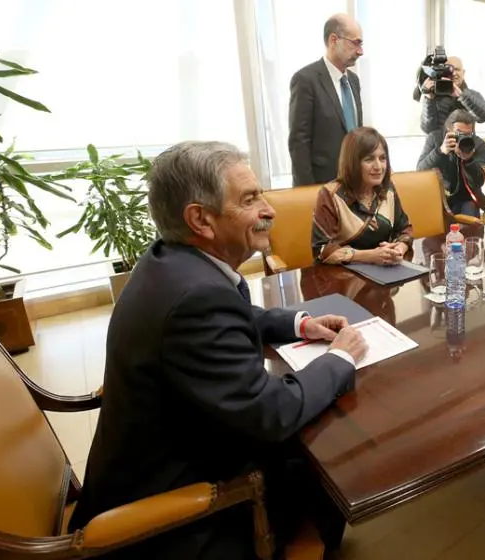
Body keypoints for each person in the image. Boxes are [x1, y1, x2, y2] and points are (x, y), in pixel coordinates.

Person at [70, 141, 368, 559]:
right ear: (200, 219)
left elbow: (232, 311)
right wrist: (340, 358)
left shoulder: (172, 262)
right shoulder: (194, 300)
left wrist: (299, 323)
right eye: (250, 199)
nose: (270, 209)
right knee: (329, 474)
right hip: (172, 520)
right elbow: (271, 412)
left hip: (150, 460)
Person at [312, 127, 414, 265]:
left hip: (386, 272)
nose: (378, 166)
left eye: (382, 158)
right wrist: (369, 256)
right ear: (352, 162)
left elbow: (404, 229)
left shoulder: (387, 188)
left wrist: (399, 249)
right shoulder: (330, 195)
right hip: (342, 279)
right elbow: (321, 250)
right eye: (369, 159)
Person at [288, 14, 365, 186]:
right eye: (355, 43)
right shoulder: (305, 80)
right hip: (321, 184)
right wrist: (307, 192)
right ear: (333, 40)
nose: (361, 51)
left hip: (354, 183)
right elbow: (298, 142)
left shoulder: (354, 80)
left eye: (361, 44)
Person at [417, 109, 485, 217]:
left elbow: (478, 182)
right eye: (459, 133)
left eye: (468, 134)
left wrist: (469, 161)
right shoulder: (435, 138)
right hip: (439, 198)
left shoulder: (477, 144)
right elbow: (420, 171)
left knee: (471, 222)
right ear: (448, 129)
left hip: (467, 198)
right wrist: (440, 152)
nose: (464, 137)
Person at [419, 55, 485, 134]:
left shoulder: (471, 95)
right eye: (449, 70)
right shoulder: (433, 97)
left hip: (465, 144)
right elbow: (428, 129)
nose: (453, 73)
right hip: (441, 144)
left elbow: (484, 116)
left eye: (457, 69)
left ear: (463, 73)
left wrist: (463, 96)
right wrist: (429, 99)